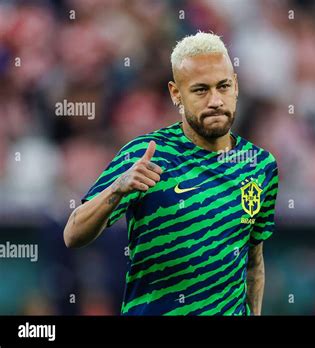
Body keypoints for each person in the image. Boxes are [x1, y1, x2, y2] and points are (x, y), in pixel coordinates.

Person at [63, 32, 279, 315]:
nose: (215, 100)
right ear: (176, 93)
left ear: (235, 86)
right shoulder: (145, 154)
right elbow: (72, 235)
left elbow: (254, 262)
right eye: (201, 90)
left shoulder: (260, 165)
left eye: (223, 86)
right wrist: (117, 189)